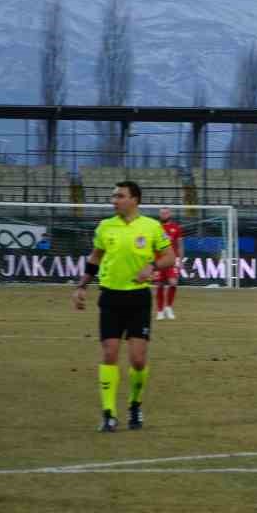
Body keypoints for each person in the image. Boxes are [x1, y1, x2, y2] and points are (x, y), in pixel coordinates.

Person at [71, 181, 175, 432]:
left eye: (120, 196)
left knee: (138, 360)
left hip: (138, 299)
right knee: (109, 353)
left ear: (134, 200)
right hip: (110, 298)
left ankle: (135, 405)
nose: (114, 200)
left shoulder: (151, 227)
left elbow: (169, 257)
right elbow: (96, 257)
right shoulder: (105, 227)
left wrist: (152, 266)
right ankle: (108, 413)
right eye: (113, 196)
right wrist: (82, 285)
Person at [154, 206, 184, 320]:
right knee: (160, 285)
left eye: (166, 213)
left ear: (169, 214)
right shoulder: (156, 227)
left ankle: (169, 307)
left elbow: (180, 246)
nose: (163, 215)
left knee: (173, 283)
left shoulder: (176, 228)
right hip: (159, 261)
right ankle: (160, 311)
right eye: (162, 213)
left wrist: (180, 261)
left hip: (171, 261)